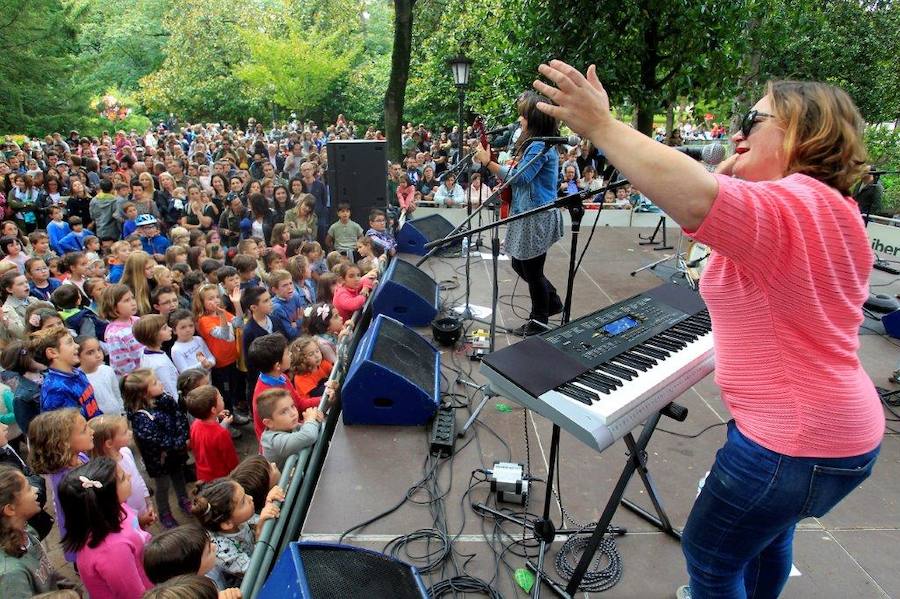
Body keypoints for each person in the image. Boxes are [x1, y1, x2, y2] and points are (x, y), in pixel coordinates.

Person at [533, 59, 884, 599]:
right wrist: (735, 169)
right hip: (835, 436)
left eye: (754, 119)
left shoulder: (797, 204)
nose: (739, 133)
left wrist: (601, 127)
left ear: (803, 133)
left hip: (790, 442)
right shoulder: (824, 209)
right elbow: (705, 218)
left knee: (710, 558)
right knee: (765, 539)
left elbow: (696, 200)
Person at [474, 90, 564, 336]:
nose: (520, 120)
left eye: (523, 116)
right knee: (519, 263)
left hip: (537, 216)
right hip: (526, 213)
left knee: (532, 271)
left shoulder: (540, 146)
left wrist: (488, 163)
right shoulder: (534, 144)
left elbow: (520, 177)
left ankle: (539, 321)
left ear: (534, 118)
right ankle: (552, 301)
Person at [58, 457, 154, 598]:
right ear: (107, 496)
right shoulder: (113, 551)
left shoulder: (116, 508)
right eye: (122, 478)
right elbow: (134, 595)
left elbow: (129, 526)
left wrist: (140, 521)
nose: (129, 476)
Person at [121, 368, 190, 529]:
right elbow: (158, 441)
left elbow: (178, 416)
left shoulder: (164, 400)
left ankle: (183, 499)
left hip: (175, 453)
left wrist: (182, 436)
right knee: (163, 486)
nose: (160, 383)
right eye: (155, 383)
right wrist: (180, 442)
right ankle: (165, 512)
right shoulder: (141, 418)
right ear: (144, 393)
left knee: (179, 476)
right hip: (159, 460)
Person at [27, 408, 93, 564]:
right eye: (84, 430)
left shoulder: (80, 456)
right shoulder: (68, 480)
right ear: (63, 444)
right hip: (87, 539)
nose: (92, 431)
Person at [190, 477, 282, 589]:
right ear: (227, 523)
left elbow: (264, 520)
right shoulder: (221, 550)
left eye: (245, 494)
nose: (250, 498)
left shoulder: (240, 518)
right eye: (243, 502)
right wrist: (259, 536)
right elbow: (255, 571)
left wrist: (270, 503)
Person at [0, 465, 62, 597]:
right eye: (28, 489)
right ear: (10, 509)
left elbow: (49, 574)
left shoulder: (27, 532)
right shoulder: (11, 574)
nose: (35, 490)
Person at [88, 415, 155, 529]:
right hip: (128, 522)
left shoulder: (126, 452)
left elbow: (138, 478)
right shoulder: (105, 472)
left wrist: (149, 503)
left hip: (142, 509)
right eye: (124, 432)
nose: (130, 432)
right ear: (109, 443)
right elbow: (115, 508)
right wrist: (138, 521)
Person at [248, 333, 309, 441]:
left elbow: (299, 403)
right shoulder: (267, 396)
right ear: (277, 365)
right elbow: (283, 432)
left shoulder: (281, 377)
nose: (290, 354)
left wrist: (326, 394)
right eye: (286, 353)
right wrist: (309, 423)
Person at [258, 388, 322, 471]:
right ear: (269, 423)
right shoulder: (274, 440)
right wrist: (311, 420)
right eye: (284, 412)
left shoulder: (287, 426)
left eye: (292, 406)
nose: (293, 413)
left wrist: (317, 418)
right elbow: (309, 435)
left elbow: (309, 429)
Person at [185, 385, 239, 481]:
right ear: (213, 410)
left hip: (203, 475)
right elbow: (231, 461)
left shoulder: (195, 424)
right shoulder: (221, 433)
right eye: (219, 398)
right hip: (221, 478)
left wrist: (216, 416)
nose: (222, 397)